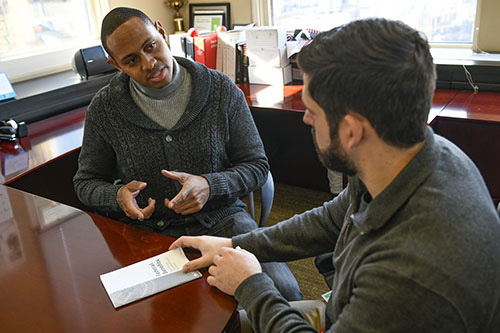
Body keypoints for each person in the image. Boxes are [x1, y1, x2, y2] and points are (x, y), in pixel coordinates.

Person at [170, 18, 500, 332]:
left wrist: (250, 285)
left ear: (351, 131)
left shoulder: (410, 274)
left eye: (312, 110)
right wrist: (234, 244)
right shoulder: (414, 152)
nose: (306, 120)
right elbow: (331, 219)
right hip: (345, 307)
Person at [73, 7, 302, 301]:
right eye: (131, 60)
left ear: (161, 31)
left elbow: (257, 166)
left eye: (150, 46)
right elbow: (85, 183)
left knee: (284, 293)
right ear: (115, 64)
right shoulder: (104, 110)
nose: (149, 63)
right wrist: (116, 197)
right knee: (166, 316)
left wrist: (210, 185)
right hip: (149, 235)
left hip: (224, 222)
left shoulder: (220, 90)